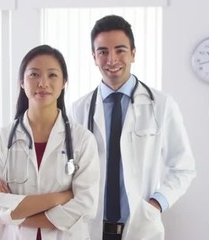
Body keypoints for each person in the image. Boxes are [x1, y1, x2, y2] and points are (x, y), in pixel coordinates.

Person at [71, 15, 196, 240]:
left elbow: (183, 167)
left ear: (133, 53)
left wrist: (156, 204)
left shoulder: (161, 105)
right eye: (103, 52)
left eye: (120, 50)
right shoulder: (79, 109)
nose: (112, 59)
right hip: (89, 229)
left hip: (140, 228)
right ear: (94, 57)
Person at [0, 45, 99, 240]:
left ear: (64, 83)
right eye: (34, 74)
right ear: (22, 82)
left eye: (52, 75)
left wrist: (14, 212)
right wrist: (58, 198)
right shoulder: (2, 139)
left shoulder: (82, 140)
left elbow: (85, 207)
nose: (43, 83)